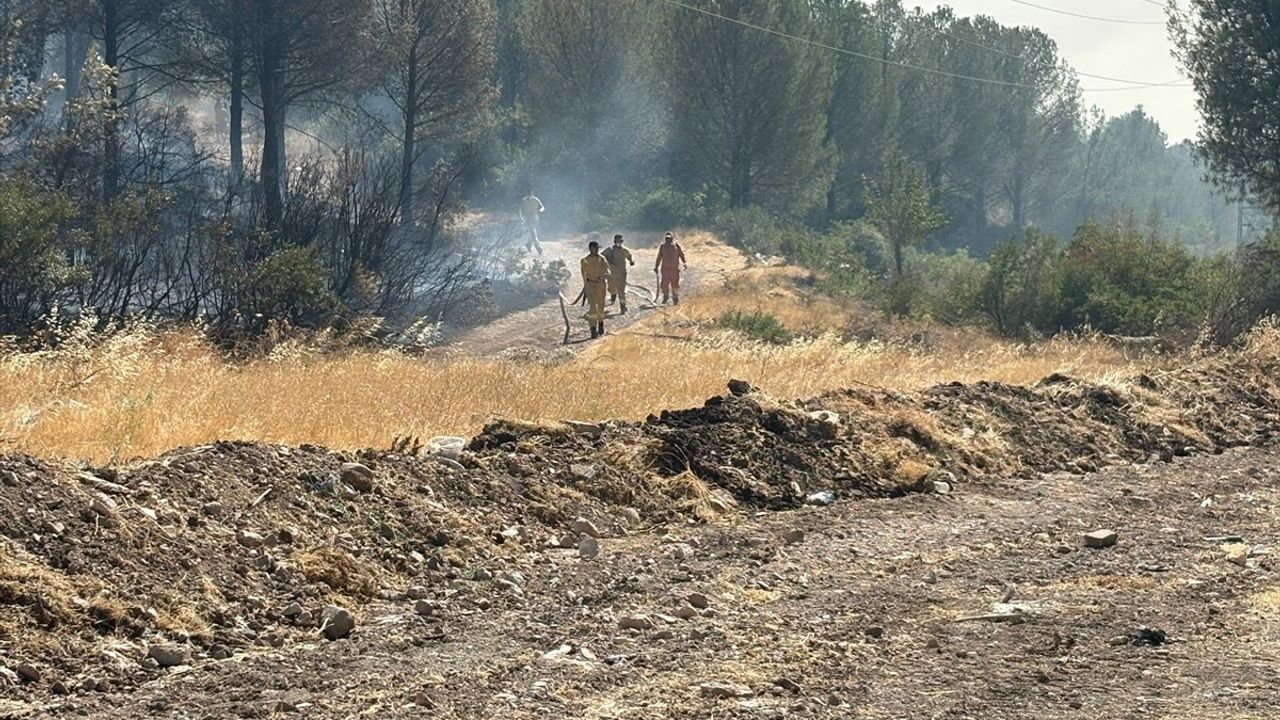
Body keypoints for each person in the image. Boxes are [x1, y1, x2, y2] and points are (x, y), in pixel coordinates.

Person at [580, 239, 611, 338]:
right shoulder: (584, 260)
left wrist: (602, 277)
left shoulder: (602, 259)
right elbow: (583, 274)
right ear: (590, 249)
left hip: (600, 285)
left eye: (598, 248)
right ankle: (593, 328)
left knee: (601, 306)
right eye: (596, 248)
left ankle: (600, 322)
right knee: (592, 307)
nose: (597, 250)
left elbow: (608, 271)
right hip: (590, 285)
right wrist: (585, 287)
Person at [601, 234, 635, 313]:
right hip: (611, 274)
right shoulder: (609, 250)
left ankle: (623, 306)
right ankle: (613, 294)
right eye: (618, 241)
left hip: (622, 274)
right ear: (614, 241)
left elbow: (630, 256)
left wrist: (632, 261)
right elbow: (601, 257)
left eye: (621, 241)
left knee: (621, 290)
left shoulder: (624, 250)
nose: (619, 243)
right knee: (612, 289)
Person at [654, 231, 687, 305]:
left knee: (675, 284)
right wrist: (656, 266)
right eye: (666, 238)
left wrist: (684, 263)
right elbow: (659, 257)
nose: (668, 240)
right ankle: (665, 296)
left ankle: (675, 299)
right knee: (665, 284)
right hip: (665, 269)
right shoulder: (663, 247)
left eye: (669, 238)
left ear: (672, 239)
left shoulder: (676, 246)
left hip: (674, 270)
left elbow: (681, 255)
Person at [519, 189, 545, 255]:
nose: (530, 196)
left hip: (535, 218)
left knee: (531, 232)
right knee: (533, 232)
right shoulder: (524, 201)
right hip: (527, 219)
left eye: (531, 194)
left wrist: (540, 211)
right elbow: (520, 210)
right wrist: (522, 218)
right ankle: (538, 248)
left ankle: (528, 244)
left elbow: (542, 207)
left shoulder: (535, 199)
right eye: (529, 195)